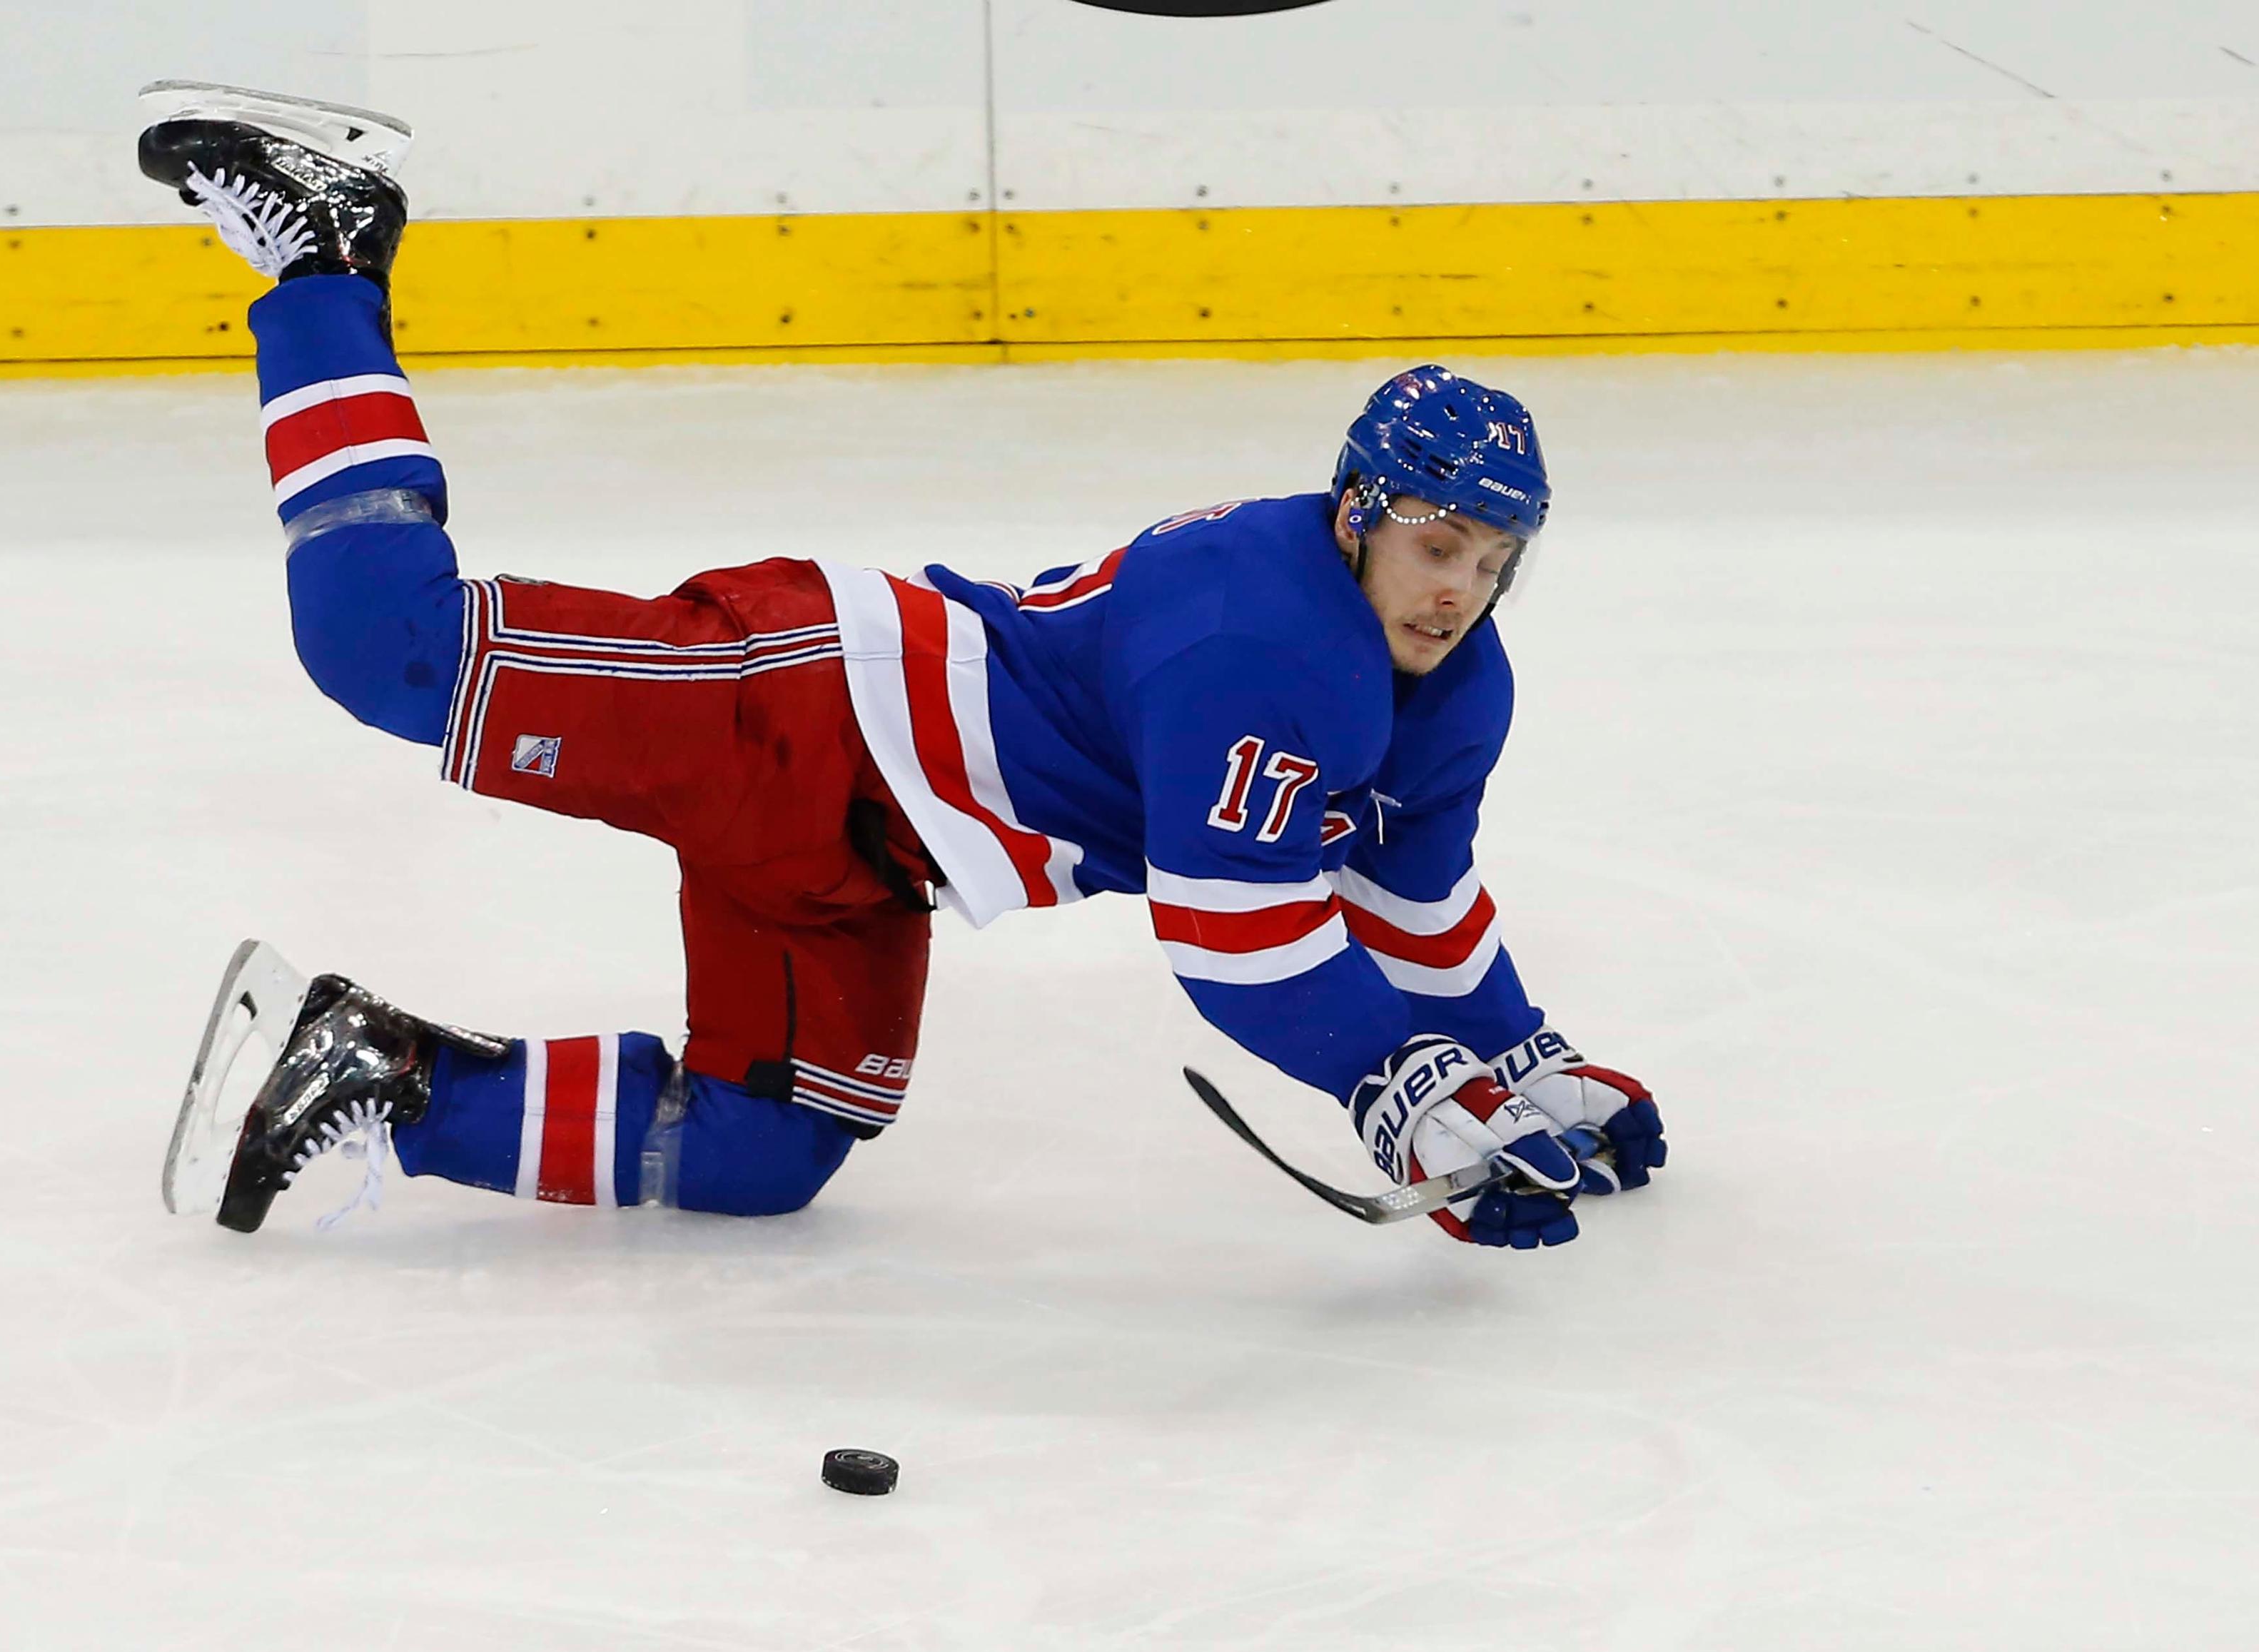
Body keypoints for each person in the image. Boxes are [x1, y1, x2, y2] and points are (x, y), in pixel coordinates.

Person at [136, 83, 1667, 1250]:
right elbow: (1238, 936)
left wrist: (1522, 1057)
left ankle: (374, 1077)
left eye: (1492, 554)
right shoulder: (1262, 645)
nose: (1459, 586)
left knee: (763, 1149)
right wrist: (1396, 1088)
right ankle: (327, 254)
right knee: (381, 646)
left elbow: (1411, 892)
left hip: (872, 865)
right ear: (1355, 516)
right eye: (1434, 543)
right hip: (803, 715)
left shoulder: (1452, 684)